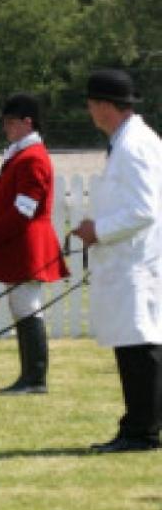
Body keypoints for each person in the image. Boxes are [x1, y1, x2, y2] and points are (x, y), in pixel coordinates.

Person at [72, 69, 162, 453]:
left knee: (139, 346)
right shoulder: (129, 141)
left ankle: (141, 431)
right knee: (133, 343)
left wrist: (99, 230)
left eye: (93, 105)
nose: (91, 112)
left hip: (136, 261)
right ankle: (139, 425)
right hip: (129, 260)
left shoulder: (135, 146)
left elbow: (144, 209)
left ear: (106, 106)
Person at [0, 93, 69, 394]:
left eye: (11, 122)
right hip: (18, 240)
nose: (6, 128)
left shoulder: (33, 157)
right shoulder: (20, 153)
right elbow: (16, 202)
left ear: (28, 122)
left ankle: (35, 377)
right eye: (5, 122)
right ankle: (30, 375)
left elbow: (25, 210)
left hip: (27, 242)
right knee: (21, 304)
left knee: (27, 305)